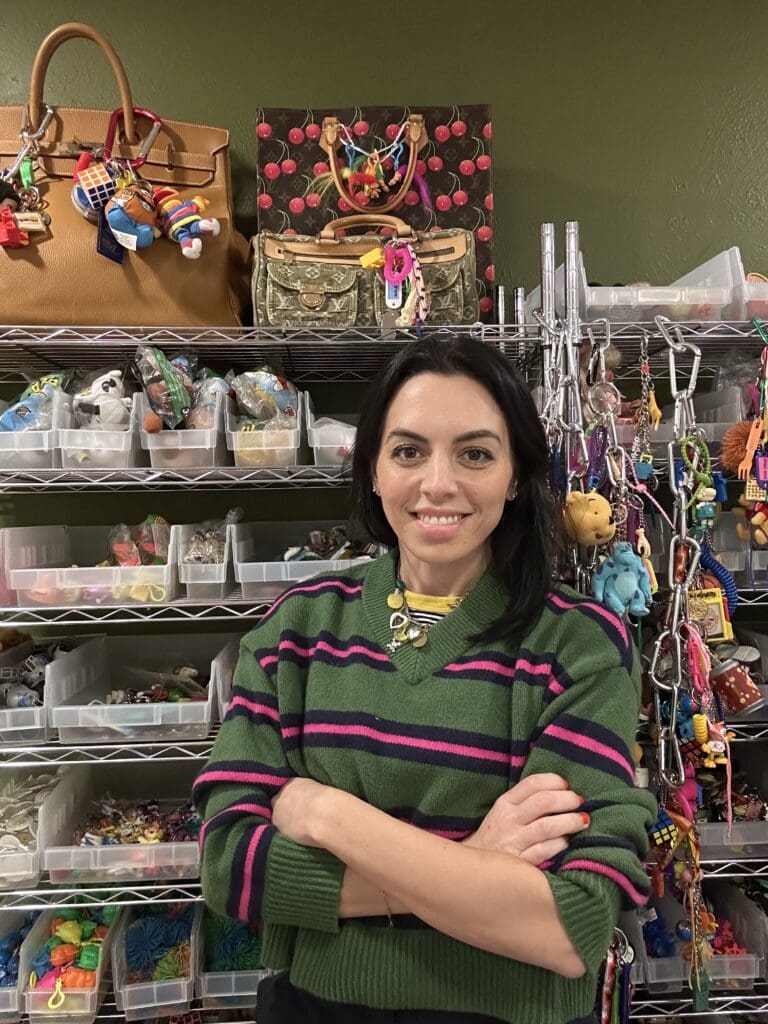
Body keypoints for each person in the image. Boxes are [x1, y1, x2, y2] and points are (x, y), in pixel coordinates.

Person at [193, 337, 656, 1024]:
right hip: (319, 1008)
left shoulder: (578, 644)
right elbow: (232, 867)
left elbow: (567, 926)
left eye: (475, 453)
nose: (438, 484)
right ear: (375, 471)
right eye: (409, 451)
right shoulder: (299, 630)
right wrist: (471, 861)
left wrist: (327, 814)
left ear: (517, 476)